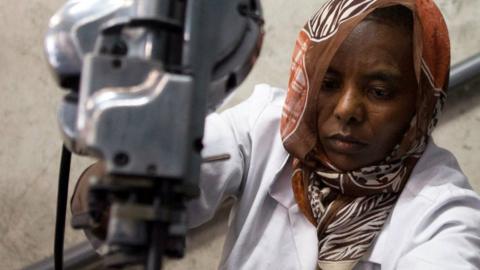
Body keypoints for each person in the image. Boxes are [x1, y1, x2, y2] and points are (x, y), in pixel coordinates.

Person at [72, 0, 480, 269]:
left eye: (379, 91)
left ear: (422, 102)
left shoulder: (445, 213)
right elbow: (191, 162)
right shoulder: (266, 126)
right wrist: (113, 186)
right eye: (328, 82)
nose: (346, 110)